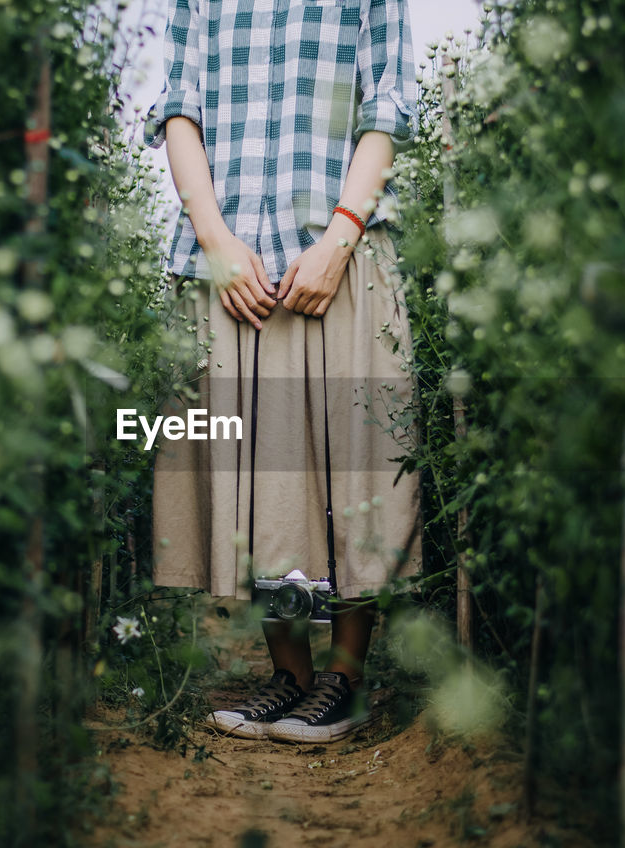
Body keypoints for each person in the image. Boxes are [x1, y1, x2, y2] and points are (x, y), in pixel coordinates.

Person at [144, 0, 421, 744]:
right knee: (259, 475)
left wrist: (338, 238)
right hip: (234, 262)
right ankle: (290, 676)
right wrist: (214, 239)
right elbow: (179, 111)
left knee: (355, 462)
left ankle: (346, 679)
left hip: (333, 255)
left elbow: (386, 108)